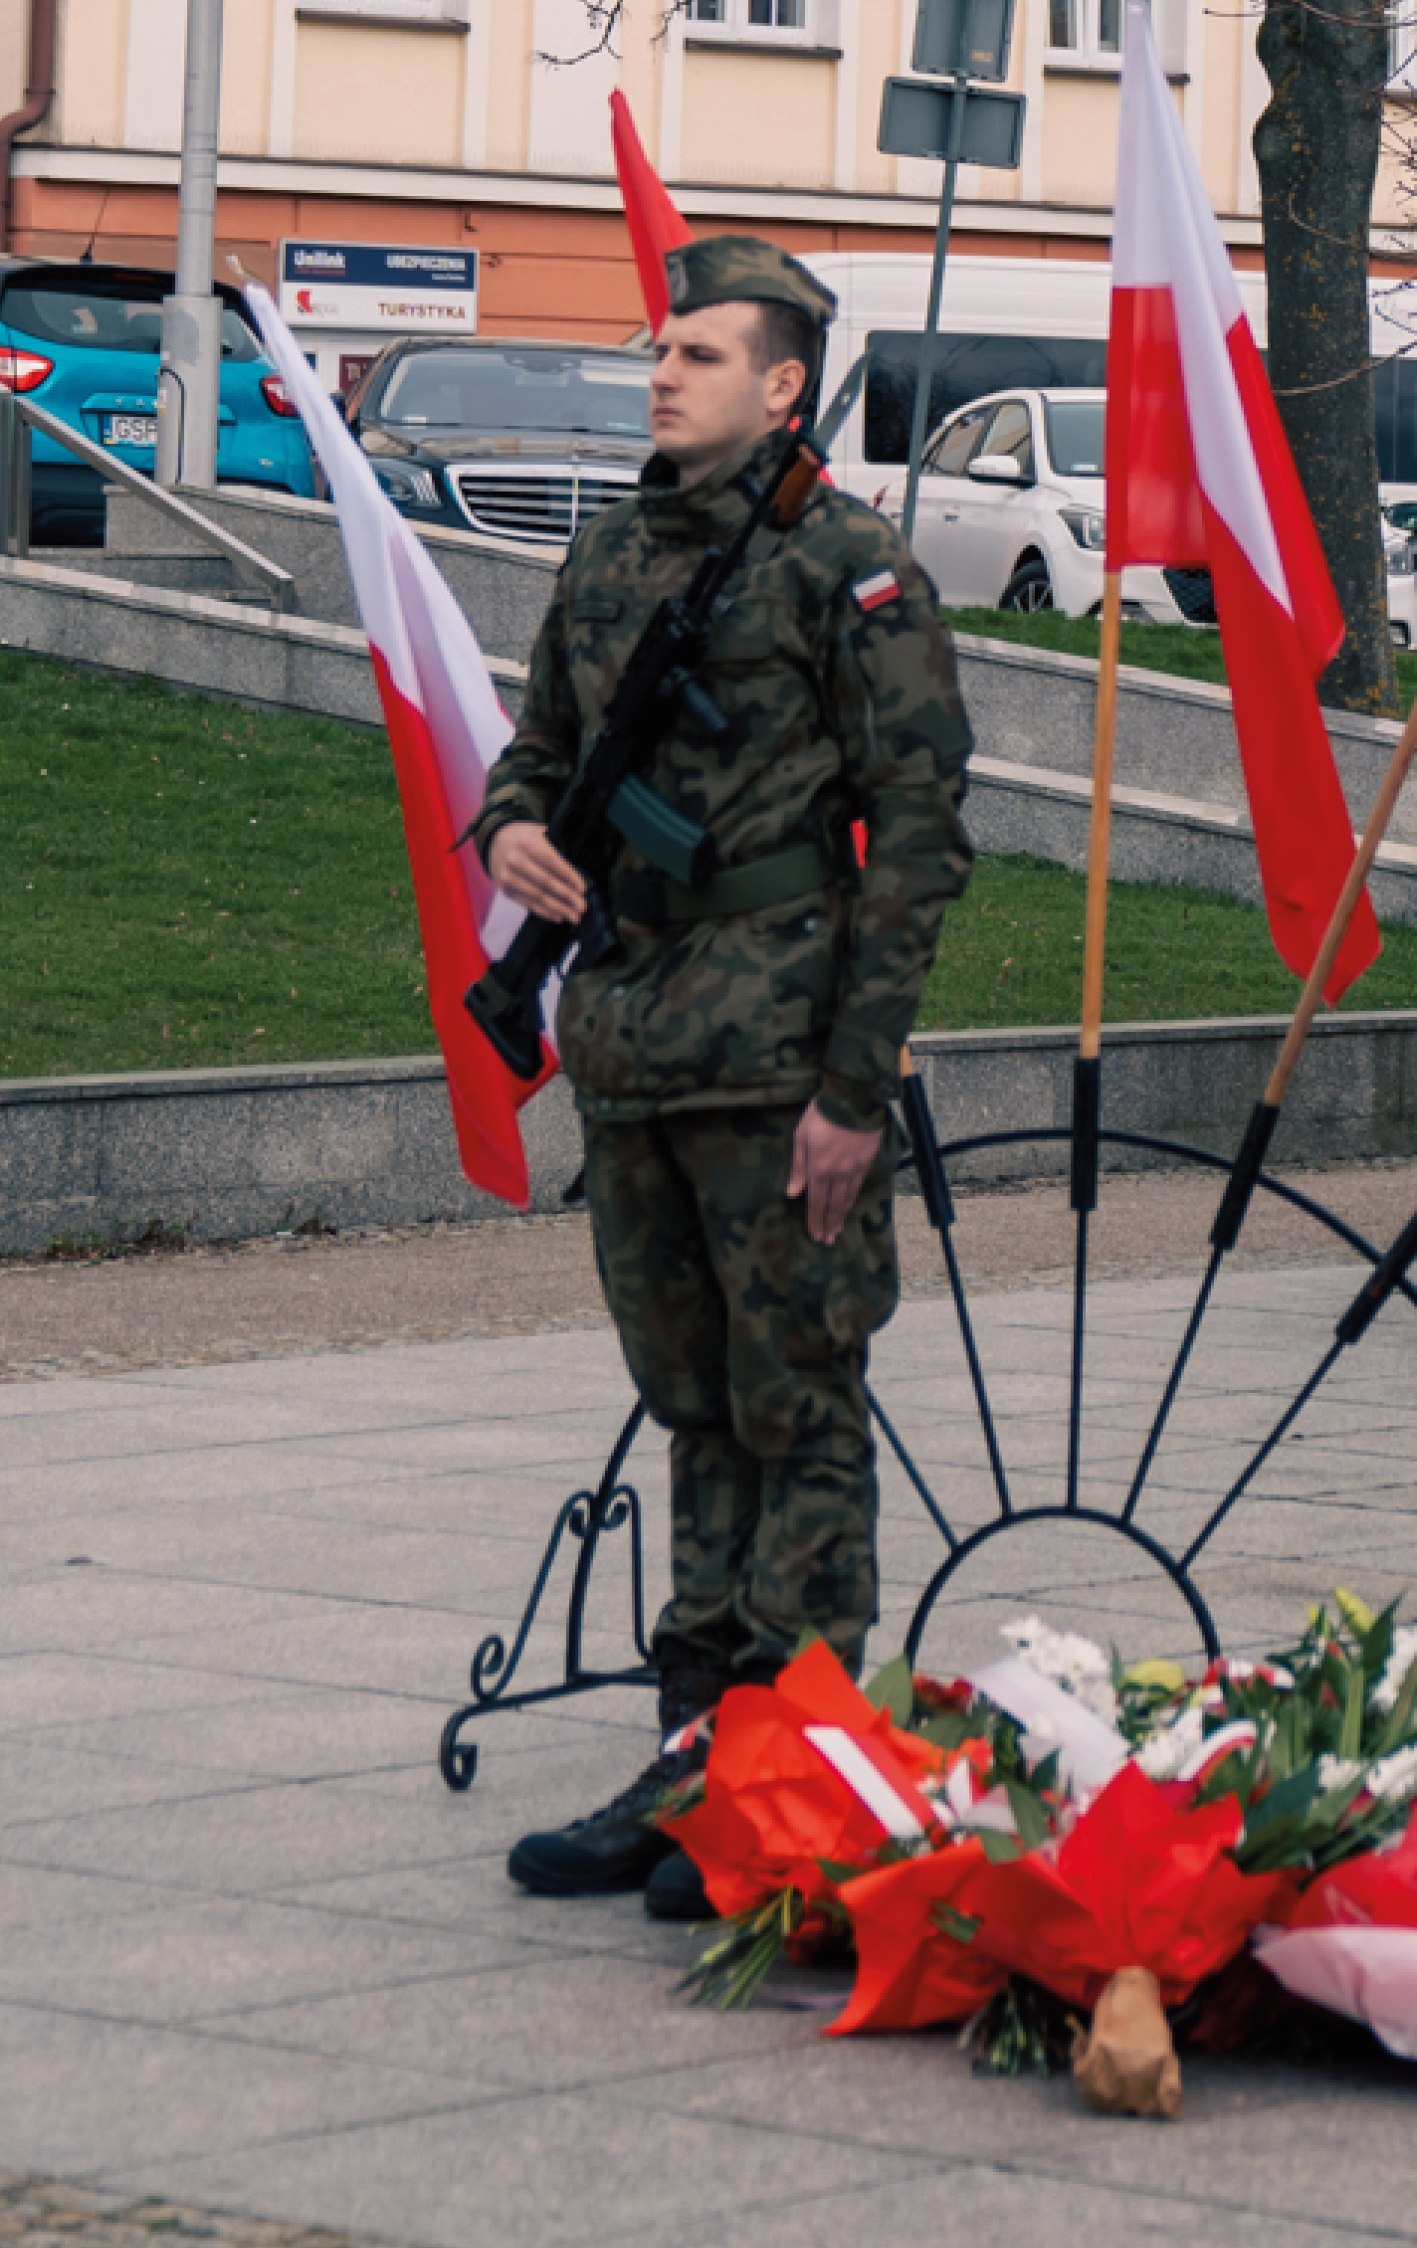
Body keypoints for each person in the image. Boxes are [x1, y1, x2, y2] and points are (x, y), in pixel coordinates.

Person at [480, 236, 976, 1917]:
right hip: (632, 1043)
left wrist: (855, 1085)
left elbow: (917, 843)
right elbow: (534, 749)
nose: (661, 370)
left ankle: (806, 1775)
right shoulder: (613, 553)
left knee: (800, 1406)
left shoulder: (852, 565)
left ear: (781, 386)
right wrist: (519, 832)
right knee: (696, 1406)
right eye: (660, 347)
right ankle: (698, 1755)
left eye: (699, 353)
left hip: (779, 1060)